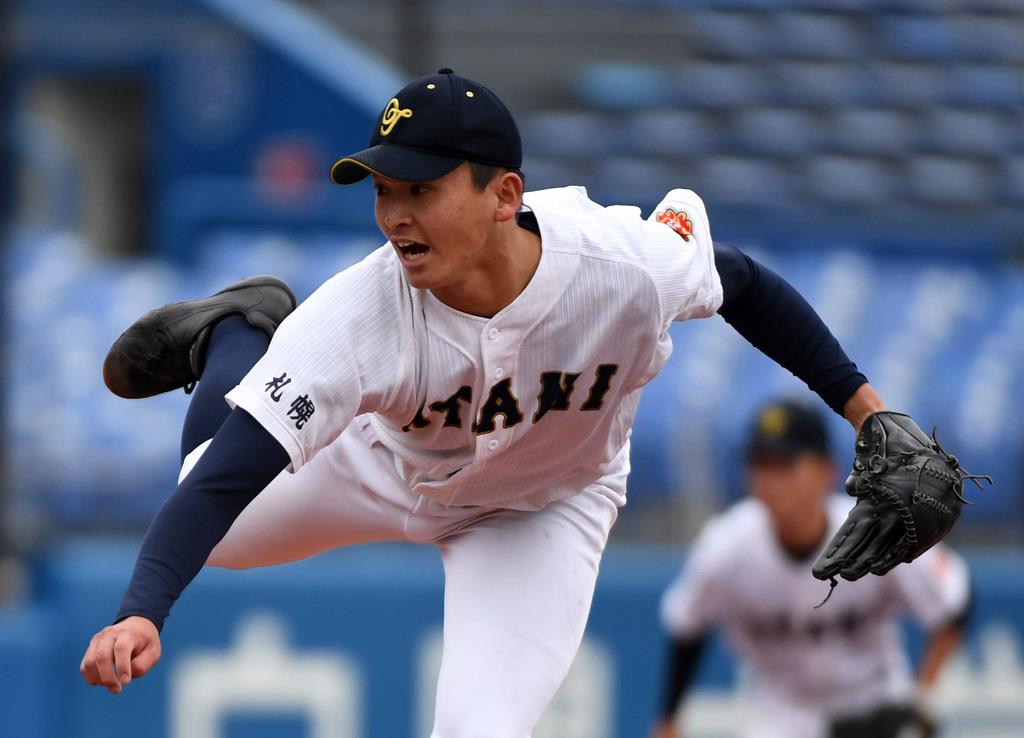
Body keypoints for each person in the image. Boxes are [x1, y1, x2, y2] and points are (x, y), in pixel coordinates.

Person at [80, 68, 898, 737]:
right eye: (382, 190)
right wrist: (141, 612)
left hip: (544, 507)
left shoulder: (622, 264)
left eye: (422, 191)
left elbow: (742, 284)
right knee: (207, 507)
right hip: (379, 465)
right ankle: (238, 330)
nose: (395, 217)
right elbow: (224, 476)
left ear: (505, 195)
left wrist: (869, 413)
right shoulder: (362, 313)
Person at [651, 400, 970, 738]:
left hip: (875, 705)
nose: (769, 479)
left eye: (785, 464)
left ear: (826, 470)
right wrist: (669, 720)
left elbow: (955, 601)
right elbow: (686, 626)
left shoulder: (878, 529)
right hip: (782, 717)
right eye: (760, 464)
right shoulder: (726, 547)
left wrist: (921, 696)